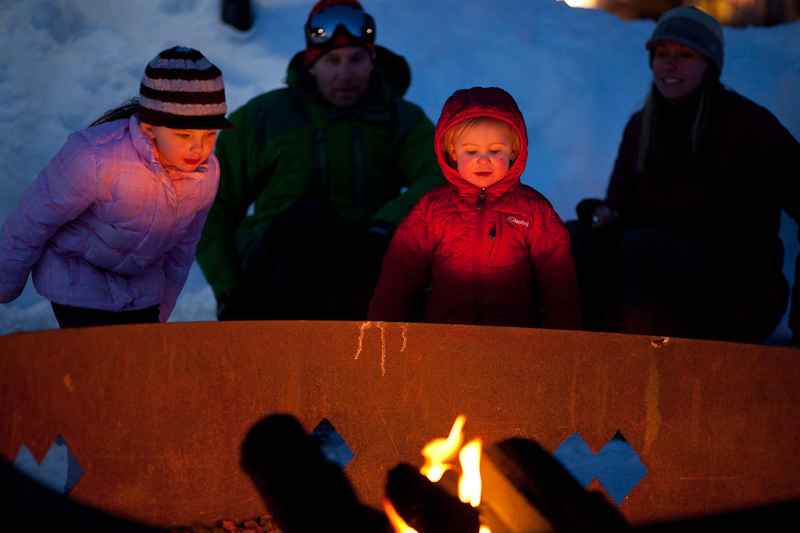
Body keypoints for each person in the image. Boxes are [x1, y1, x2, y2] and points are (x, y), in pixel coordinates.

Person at [196, 0, 444, 321]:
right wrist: (229, 290)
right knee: (311, 220)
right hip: (276, 277)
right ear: (311, 65)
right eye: (332, 61)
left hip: (363, 266)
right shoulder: (264, 118)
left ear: (372, 60)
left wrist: (388, 224)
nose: (345, 74)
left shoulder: (400, 119)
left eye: (356, 59)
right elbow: (212, 205)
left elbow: (442, 176)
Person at [567, 6, 800, 344]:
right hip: (663, 278)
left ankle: (647, 374)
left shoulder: (748, 126)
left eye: (685, 54)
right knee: (576, 239)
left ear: (710, 63)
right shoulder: (641, 127)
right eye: (662, 54)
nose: (670, 65)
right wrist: (600, 214)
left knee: (642, 247)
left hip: (741, 293)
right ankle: (583, 359)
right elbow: (624, 211)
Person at [0, 47, 233, 328]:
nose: (199, 147)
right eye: (184, 134)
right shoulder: (96, 157)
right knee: (97, 362)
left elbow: (181, 250)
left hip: (141, 288)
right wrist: (5, 284)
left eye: (209, 134)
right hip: (77, 279)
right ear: (150, 127)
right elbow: (33, 219)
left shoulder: (207, 174)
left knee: (135, 365)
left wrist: (161, 313)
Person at [367, 87, 581, 329]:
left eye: (495, 150)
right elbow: (399, 276)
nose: (483, 159)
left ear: (513, 150)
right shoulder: (432, 209)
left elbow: (559, 282)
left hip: (515, 340)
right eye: (471, 151)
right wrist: (381, 331)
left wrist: (565, 341)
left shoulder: (533, 210)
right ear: (451, 152)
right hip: (443, 338)